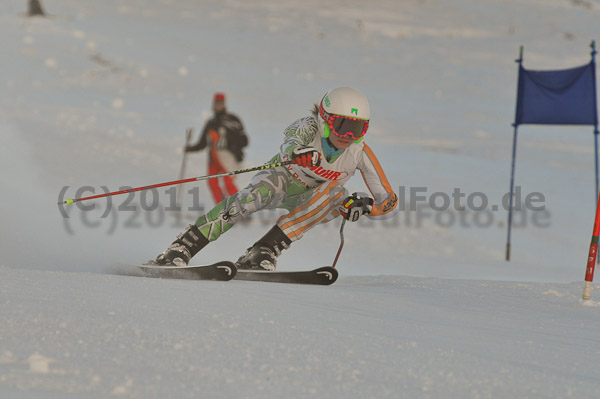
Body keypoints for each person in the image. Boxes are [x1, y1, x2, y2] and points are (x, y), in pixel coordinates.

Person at [153, 87, 398, 270]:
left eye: (356, 129)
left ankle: (263, 250)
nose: (347, 135)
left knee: (337, 195)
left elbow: (388, 199)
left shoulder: (360, 153)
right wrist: (298, 153)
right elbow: (290, 143)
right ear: (324, 119)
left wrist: (366, 207)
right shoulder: (308, 127)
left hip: (311, 196)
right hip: (282, 177)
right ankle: (184, 245)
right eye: (341, 125)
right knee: (248, 201)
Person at [186, 92, 249, 204]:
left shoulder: (232, 119)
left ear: (224, 104)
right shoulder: (211, 122)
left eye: (220, 103)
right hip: (213, 158)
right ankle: (222, 208)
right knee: (212, 183)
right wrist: (190, 149)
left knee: (228, 182)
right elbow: (203, 143)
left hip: (227, 157)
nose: (218, 106)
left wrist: (233, 146)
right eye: (216, 103)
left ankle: (241, 207)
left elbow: (244, 140)